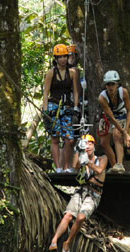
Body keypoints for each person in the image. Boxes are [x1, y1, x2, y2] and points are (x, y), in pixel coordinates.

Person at [48, 134, 107, 252]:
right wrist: (78, 151)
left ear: (94, 146)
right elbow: (75, 166)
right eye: (85, 144)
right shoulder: (82, 157)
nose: (88, 147)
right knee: (68, 215)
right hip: (81, 191)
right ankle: (55, 239)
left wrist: (87, 162)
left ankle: (68, 242)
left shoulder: (102, 158)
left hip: (94, 194)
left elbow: (99, 170)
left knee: (81, 217)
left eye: (90, 144)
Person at [41, 44, 81, 172]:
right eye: (60, 57)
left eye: (65, 56)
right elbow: (46, 93)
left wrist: (75, 107)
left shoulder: (73, 73)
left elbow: (75, 91)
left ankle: (66, 167)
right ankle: (58, 167)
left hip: (67, 107)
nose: (63, 59)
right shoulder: (51, 73)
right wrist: (46, 110)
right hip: (53, 106)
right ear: (56, 59)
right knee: (55, 138)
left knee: (69, 139)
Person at [97, 70, 130, 172]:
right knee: (104, 142)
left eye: (113, 84)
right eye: (108, 84)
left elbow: (129, 110)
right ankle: (114, 166)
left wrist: (125, 131)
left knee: (117, 135)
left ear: (117, 84)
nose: (110, 87)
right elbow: (111, 118)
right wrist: (125, 133)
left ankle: (120, 164)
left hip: (122, 115)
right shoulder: (102, 98)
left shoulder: (124, 92)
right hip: (109, 117)